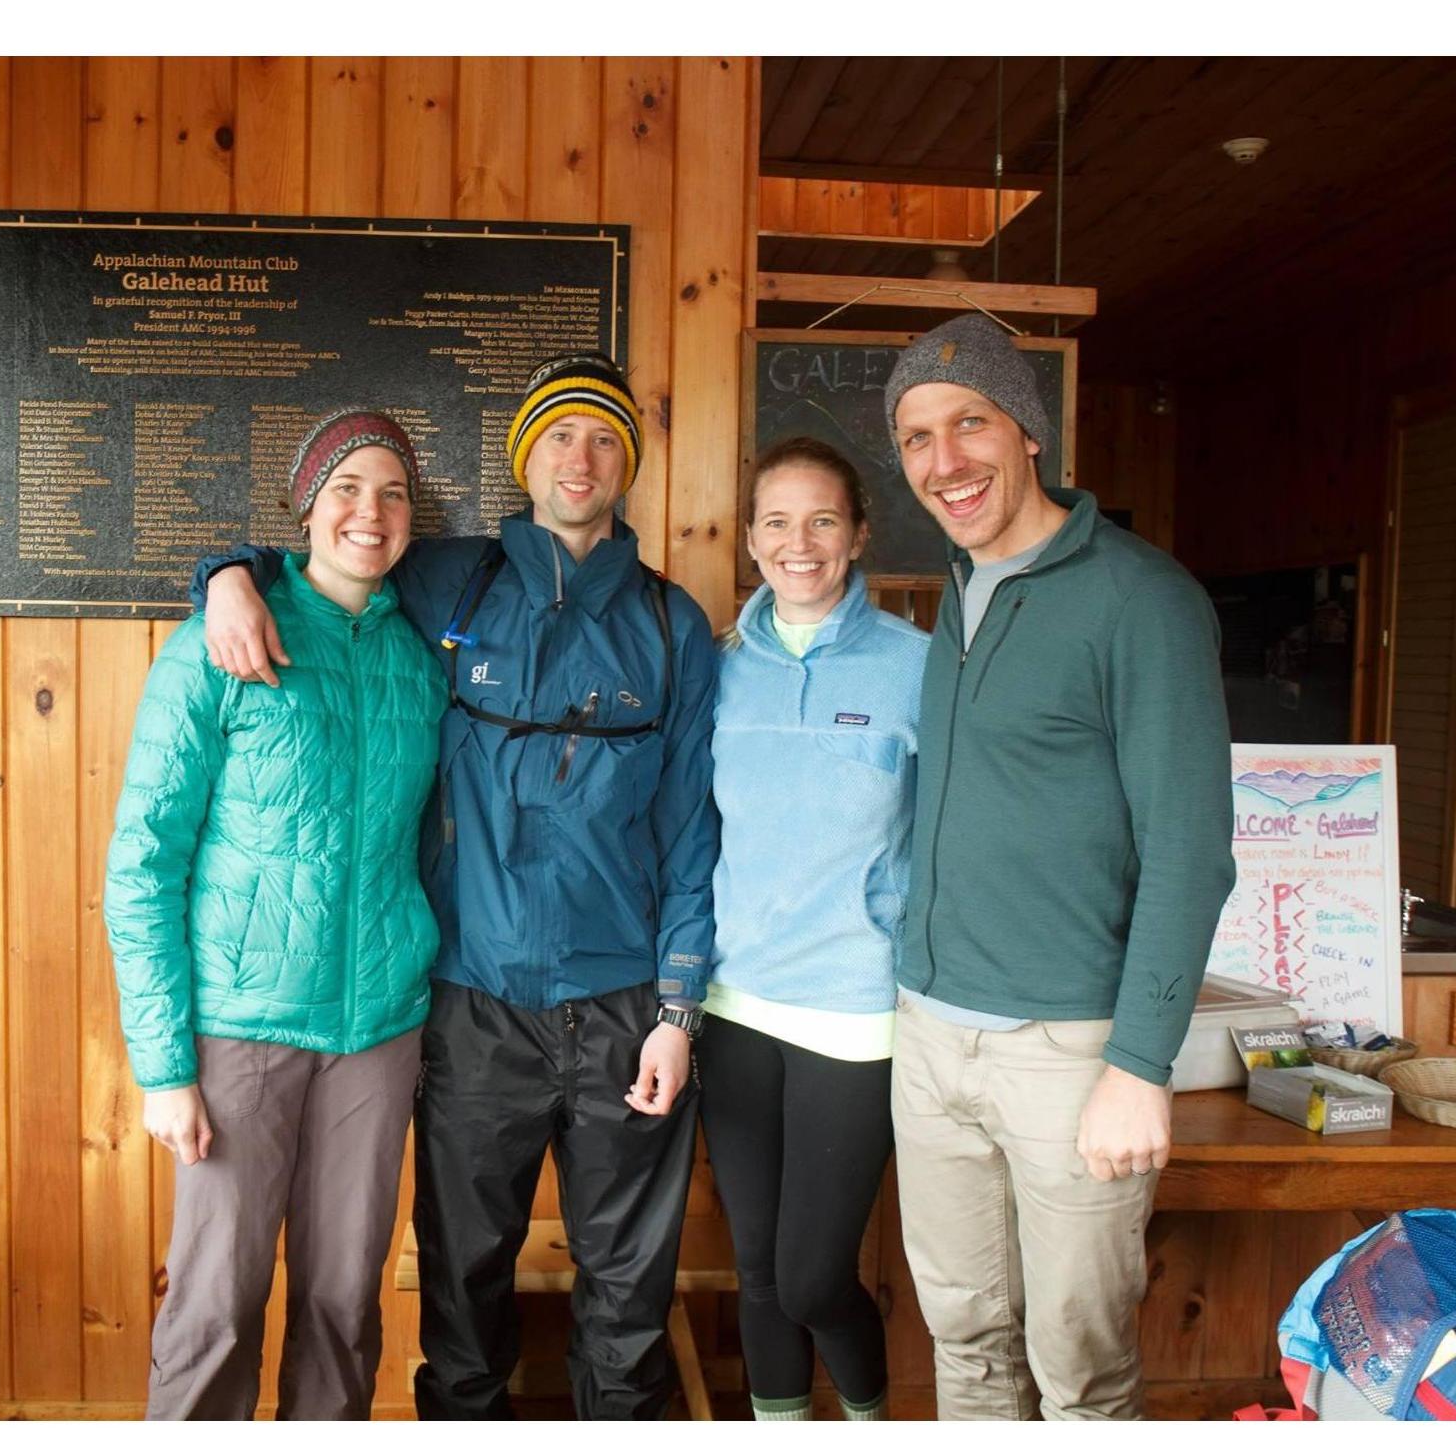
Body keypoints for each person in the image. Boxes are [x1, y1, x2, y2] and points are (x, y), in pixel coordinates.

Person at [194, 352, 718, 1420]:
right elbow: (323, 557)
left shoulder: (673, 626)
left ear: (631, 466)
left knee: (628, 1303)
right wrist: (222, 573)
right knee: (462, 1292)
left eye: (607, 439)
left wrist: (678, 1010)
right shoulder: (449, 578)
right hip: (473, 1005)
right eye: (561, 436)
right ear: (527, 456)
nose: (583, 458)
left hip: (624, 1010)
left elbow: (693, 831)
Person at [882, 313, 1236, 1420]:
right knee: (964, 1339)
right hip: (932, 1033)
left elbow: (1191, 850)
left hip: (1070, 1053)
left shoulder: (1142, 599)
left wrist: (1141, 1062)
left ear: (1027, 430)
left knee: (1081, 1369)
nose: (945, 462)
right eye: (916, 438)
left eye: (969, 423)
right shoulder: (961, 597)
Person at [104, 409, 447, 1419]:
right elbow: (141, 865)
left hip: (378, 1031)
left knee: (345, 1304)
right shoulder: (218, 642)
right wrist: (164, 1068)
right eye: (346, 488)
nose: (369, 512)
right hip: (239, 1031)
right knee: (216, 1305)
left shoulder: (421, 661)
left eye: (391, 494)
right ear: (306, 504)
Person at [699, 437, 928, 1423]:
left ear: (859, 535)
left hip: (856, 1014)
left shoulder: (920, 667)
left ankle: (871, 1413)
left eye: (823, 520)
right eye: (778, 522)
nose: (801, 543)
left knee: (809, 1277)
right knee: (755, 1272)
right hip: (732, 1003)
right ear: (751, 539)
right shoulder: (714, 670)